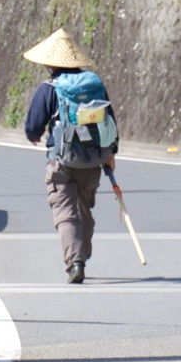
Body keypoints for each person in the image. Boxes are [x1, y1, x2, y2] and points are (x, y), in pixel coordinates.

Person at [21, 27, 117, 284]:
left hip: (61, 160)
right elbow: (110, 120)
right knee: (84, 209)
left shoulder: (49, 88)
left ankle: (75, 262)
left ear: (50, 64)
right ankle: (81, 255)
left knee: (64, 211)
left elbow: (32, 127)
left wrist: (34, 136)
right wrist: (111, 152)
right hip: (94, 160)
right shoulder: (94, 84)